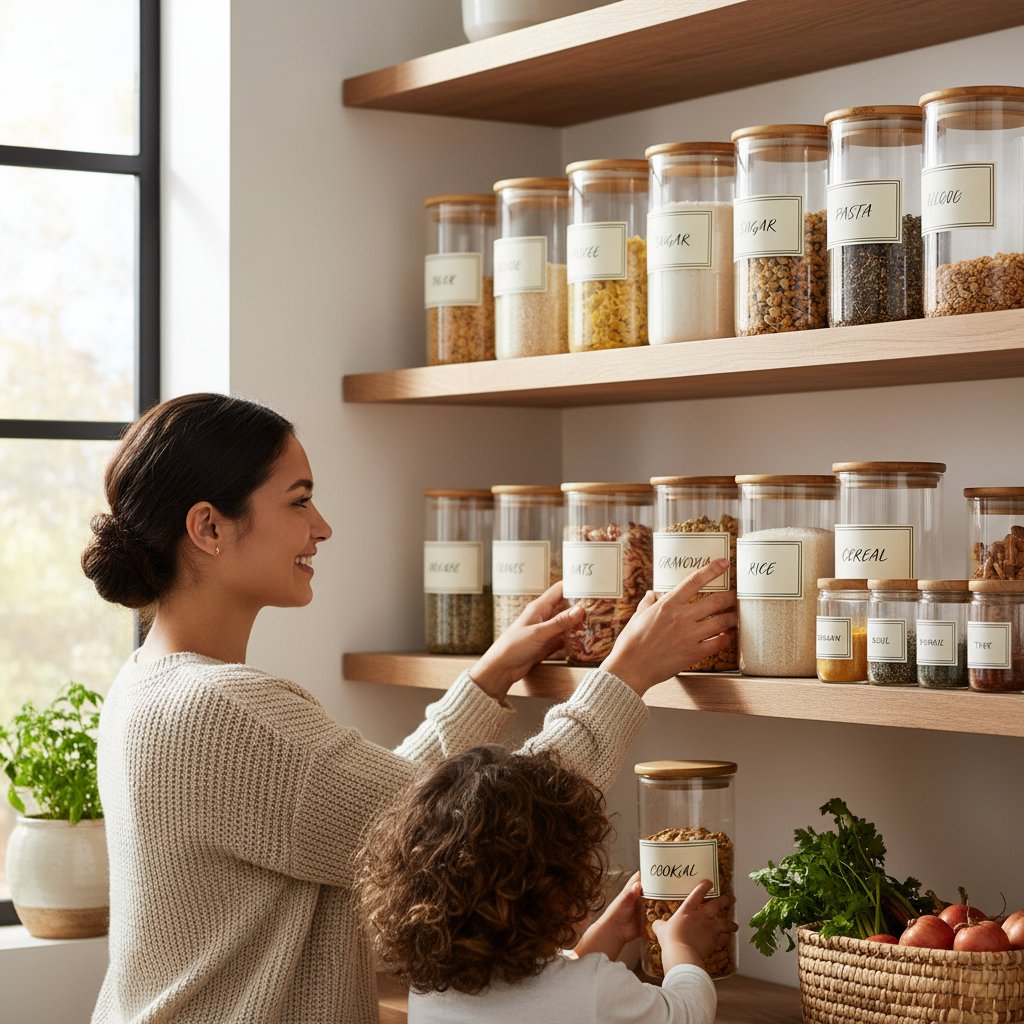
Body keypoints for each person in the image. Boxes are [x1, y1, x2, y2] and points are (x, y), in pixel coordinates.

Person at [80, 392, 736, 1024]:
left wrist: (487, 681)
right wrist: (627, 674)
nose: (322, 527)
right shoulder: (223, 710)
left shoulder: (148, 686)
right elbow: (480, 832)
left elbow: (382, 809)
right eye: (300, 501)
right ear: (208, 527)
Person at [358, 745, 736, 1024]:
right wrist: (681, 948)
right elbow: (687, 1014)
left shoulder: (432, 989)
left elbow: (550, 991)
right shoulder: (597, 994)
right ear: (554, 886)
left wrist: (609, 935)